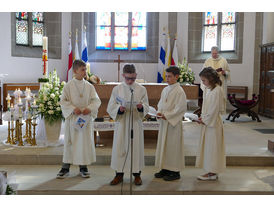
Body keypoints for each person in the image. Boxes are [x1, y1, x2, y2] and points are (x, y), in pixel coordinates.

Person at [56, 59, 101, 179]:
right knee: (70, 143)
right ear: (75, 71)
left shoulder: (89, 86)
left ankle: (83, 167)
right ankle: (65, 168)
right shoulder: (68, 86)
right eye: (83, 69)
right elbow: (63, 101)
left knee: (84, 143)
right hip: (73, 119)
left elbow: (96, 101)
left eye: (85, 69)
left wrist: (89, 108)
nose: (85, 72)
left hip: (85, 120)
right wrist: (72, 108)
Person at [107, 64, 149, 186]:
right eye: (128, 78)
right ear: (123, 75)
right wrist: (118, 109)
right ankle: (119, 174)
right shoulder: (117, 89)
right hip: (122, 122)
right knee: (121, 148)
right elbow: (111, 106)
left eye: (133, 78)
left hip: (135, 122)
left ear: (136, 76)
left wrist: (142, 108)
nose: (130, 81)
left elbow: (146, 106)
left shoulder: (141, 89)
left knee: (135, 148)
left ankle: (137, 174)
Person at [154, 66, 187, 181]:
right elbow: (161, 103)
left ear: (176, 77)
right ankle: (165, 168)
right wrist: (159, 112)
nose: (167, 79)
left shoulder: (179, 91)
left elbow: (181, 108)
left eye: (169, 76)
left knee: (173, 147)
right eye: (166, 76)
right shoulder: (165, 89)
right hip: (164, 123)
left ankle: (175, 171)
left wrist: (167, 115)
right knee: (164, 146)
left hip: (173, 124)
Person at [195, 67, 226, 181]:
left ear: (211, 79)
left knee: (213, 148)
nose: (202, 83)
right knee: (209, 148)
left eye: (204, 80)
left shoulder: (217, 90)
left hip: (213, 124)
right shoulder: (210, 89)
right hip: (209, 123)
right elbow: (207, 108)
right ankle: (211, 171)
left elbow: (214, 109)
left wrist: (205, 120)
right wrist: (202, 118)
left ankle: (212, 173)